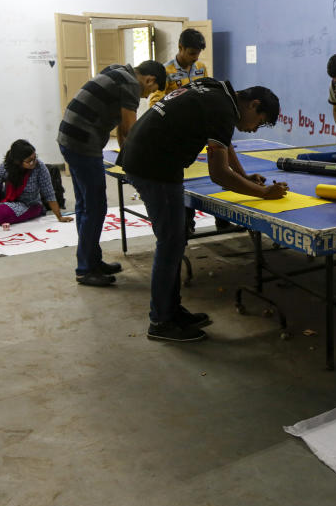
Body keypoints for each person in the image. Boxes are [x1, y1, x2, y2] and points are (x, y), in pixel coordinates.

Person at [119, 79, 287, 343]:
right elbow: (219, 174)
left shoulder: (217, 92)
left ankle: (171, 311)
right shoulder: (223, 109)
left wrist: (245, 176)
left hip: (147, 154)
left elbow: (224, 143)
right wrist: (264, 193)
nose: (254, 129)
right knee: (171, 242)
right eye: (260, 121)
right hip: (152, 165)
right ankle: (161, 321)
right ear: (254, 105)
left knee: (174, 241)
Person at [57, 60, 166, 287]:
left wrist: (127, 157)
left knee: (85, 205)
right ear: (149, 79)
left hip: (69, 137)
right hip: (82, 143)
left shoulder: (118, 72)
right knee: (95, 207)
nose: (145, 96)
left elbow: (121, 128)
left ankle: (91, 261)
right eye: (149, 92)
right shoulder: (130, 84)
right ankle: (85, 269)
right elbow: (131, 129)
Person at [159, 28, 209, 99]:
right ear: (180, 47)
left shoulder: (201, 67)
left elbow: (206, 91)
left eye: (198, 53)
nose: (196, 58)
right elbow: (155, 103)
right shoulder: (165, 71)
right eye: (192, 53)